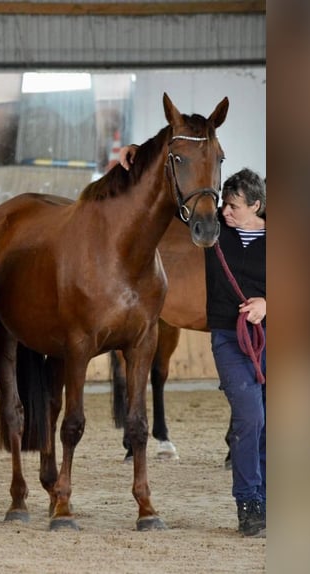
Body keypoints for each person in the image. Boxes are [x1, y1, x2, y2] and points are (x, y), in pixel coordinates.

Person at [120, 146, 266, 537]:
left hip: (270, 337)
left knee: (270, 422)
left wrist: (268, 303)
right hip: (231, 339)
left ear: (257, 206)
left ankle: (268, 498)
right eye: (224, 205)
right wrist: (134, 154)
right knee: (251, 415)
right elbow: (165, 190)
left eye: (233, 206)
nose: (225, 212)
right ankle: (248, 501)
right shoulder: (216, 234)